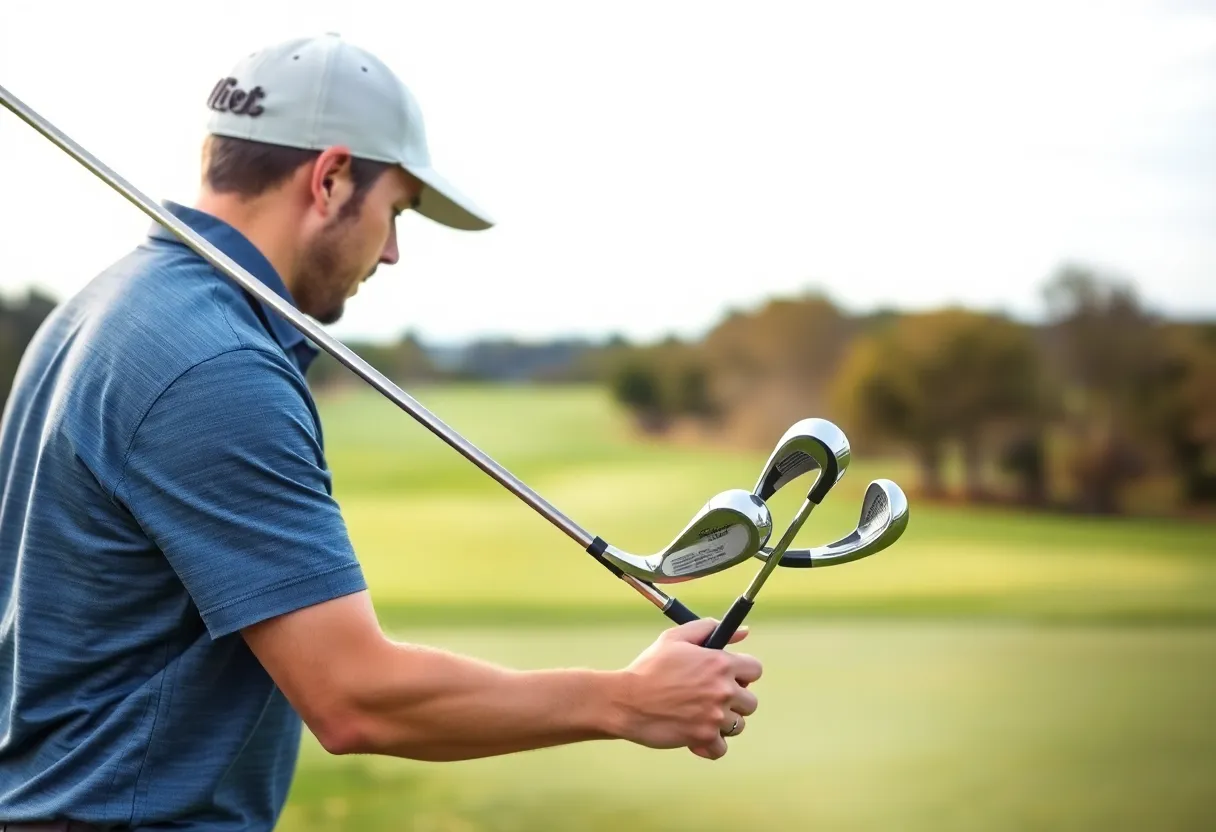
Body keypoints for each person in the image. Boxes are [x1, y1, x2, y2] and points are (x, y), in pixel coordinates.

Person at [0, 33, 762, 831]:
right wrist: (625, 701)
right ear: (329, 179)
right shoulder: (216, 366)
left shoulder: (98, 307)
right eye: (395, 211)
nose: (393, 251)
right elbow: (354, 698)